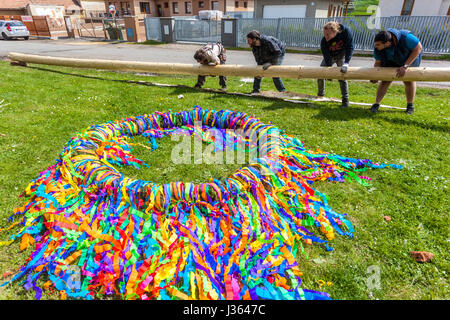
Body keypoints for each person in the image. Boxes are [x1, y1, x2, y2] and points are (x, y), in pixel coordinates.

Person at [370, 29, 423, 114]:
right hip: (392, 59)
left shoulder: (406, 38)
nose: (375, 46)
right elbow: (378, 63)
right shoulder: (378, 48)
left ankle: (410, 106)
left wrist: (405, 66)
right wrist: (375, 76)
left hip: (408, 57)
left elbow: (418, 48)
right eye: (375, 44)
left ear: (387, 43)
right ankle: (376, 104)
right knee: (385, 80)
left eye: (378, 45)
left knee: (408, 81)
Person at [318, 21, 354, 108]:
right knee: (320, 73)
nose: (325, 37)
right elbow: (326, 56)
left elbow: (350, 47)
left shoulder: (346, 32)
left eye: (327, 35)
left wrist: (346, 63)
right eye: (324, 34)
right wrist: (329, 69)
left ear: (334, 32)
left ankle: (345, 100)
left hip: (341, 55)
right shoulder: (324, 41)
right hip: (330, 56)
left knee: (342, 76)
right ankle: (320, 95)